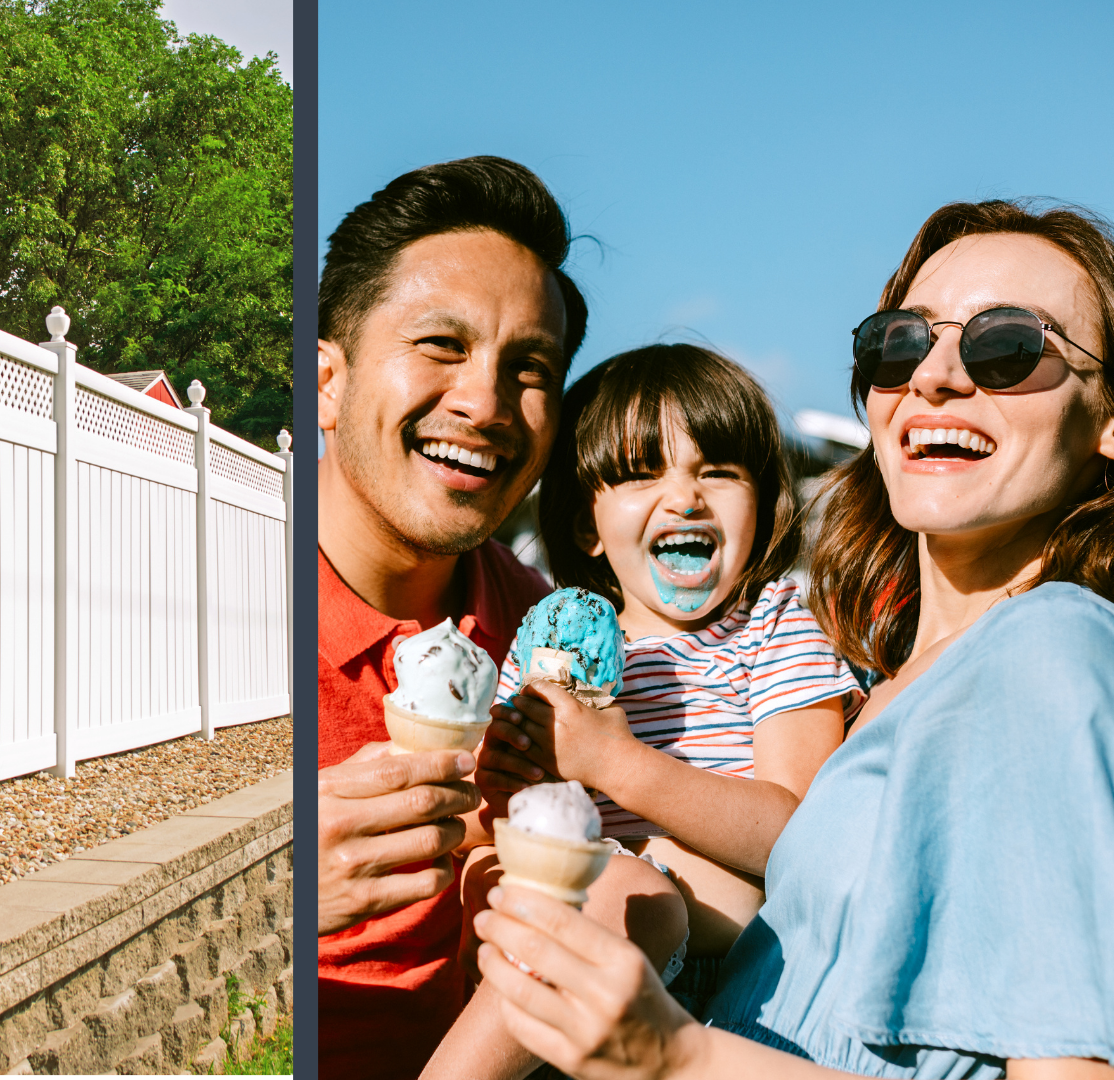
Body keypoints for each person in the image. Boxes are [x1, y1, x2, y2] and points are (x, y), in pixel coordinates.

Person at [471, 198, 1114, 1079]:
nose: (934, 376)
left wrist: (673, 1056)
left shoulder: (1044, 650)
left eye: (1007, 345)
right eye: (900, 343)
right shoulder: (894, 684)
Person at [424, 345, 862, 1080]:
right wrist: (501, 790)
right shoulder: (551, 640)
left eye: (717, 471)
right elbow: (477, 825)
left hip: (710, 999)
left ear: (763, 502)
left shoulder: (775, 628)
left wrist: (615, 763)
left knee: (642, 897)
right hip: (542, 977)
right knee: (605, 888)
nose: (685, 498)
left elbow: (797, 836)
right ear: (589, 525)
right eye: (639, 473)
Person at [316, 156, 592, 1080]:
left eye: (531, 368)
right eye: (441, 344)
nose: (483, 403)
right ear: (327, 379)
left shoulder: (555, 645)